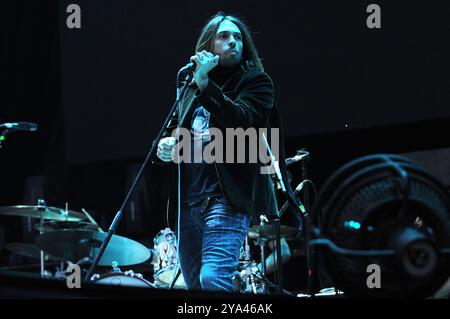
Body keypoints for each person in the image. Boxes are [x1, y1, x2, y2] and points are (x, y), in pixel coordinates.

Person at [156, 12, 296, 292]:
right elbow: (173, 129)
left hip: (225, 198)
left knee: (213, 278)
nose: (233, 41)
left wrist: (207, 86)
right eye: (224, 36)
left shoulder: (256, 82)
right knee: (194, 284)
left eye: (238, 37)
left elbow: (241, 118)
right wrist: (166, 145)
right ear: (207, 46)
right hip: (188, 202)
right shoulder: (189, 87)